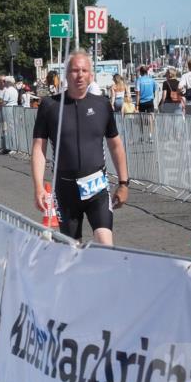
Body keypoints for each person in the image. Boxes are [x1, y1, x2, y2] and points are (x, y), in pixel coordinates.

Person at [31, 50, 128, 246]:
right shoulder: (49, 106)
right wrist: (39, 187)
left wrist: (124, 183)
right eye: (75, 70)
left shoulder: (102, 104)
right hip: (65, 190)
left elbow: (115, 145)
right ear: (66, 75)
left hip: (97, 187)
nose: (80, 75)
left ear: (91, 75)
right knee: (72, 250)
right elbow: (39, 149)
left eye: (84, 70)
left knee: (105, 243)